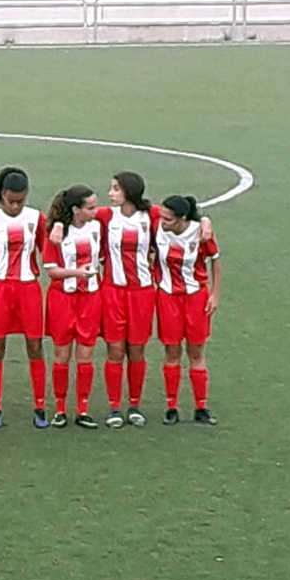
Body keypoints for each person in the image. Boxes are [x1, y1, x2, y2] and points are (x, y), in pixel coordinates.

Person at [49, 171, 213, 428]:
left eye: (116, 188)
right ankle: (114, 407)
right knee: (115, 350)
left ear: (129, 192)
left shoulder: (152, 214)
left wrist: (204, 220)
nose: (110, 193)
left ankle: (134, 405)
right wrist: (59, 223)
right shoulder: (106, 216)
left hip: (142, 293)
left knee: (137, 350)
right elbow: (76, 215)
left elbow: (183, 214)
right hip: (112, 292)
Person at [0, 167, 48, 429]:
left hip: (28, 289)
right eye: (11, 201)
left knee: (35, 346)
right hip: (0, 289)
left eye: (20, 201)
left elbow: (48, 249)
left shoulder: (36, 218)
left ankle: (40, 406)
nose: (15, 206)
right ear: (2, 195)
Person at [153, 195, 221, 425]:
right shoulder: (157, 226)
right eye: (162, 217)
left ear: (182, 219)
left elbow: (215, 260)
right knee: (172, 352)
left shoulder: (199, 232)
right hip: (167, 297)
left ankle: (201, 407)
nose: (162, 222)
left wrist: (215, 294)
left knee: (196, 352)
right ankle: (171, 407)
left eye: (168, 219)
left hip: (195, 298)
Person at [42, 185, 101, 429]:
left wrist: (202, 219)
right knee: (62, 355)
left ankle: (83, 410)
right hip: (63, 299)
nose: (96, 211)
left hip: (90, 299)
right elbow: (52, 271)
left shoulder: (98, 226)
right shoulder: (56, 233)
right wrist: (77, 273)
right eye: (91, 207)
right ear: (76, 210)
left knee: (86, 356)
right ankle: (60, 410)